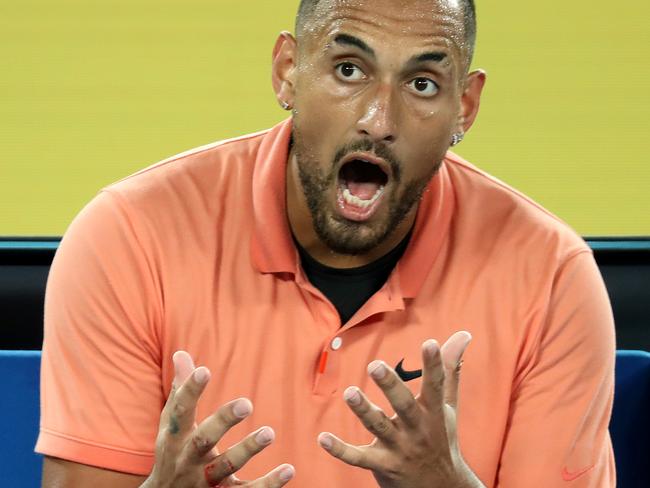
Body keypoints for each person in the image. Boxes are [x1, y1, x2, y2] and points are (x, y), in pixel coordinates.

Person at [36, 0, 616, 486]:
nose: (378, 118)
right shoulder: (127, 238)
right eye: (348, 70)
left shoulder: (553, 278)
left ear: (463, 106)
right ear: (288, 70)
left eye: (421, 83)